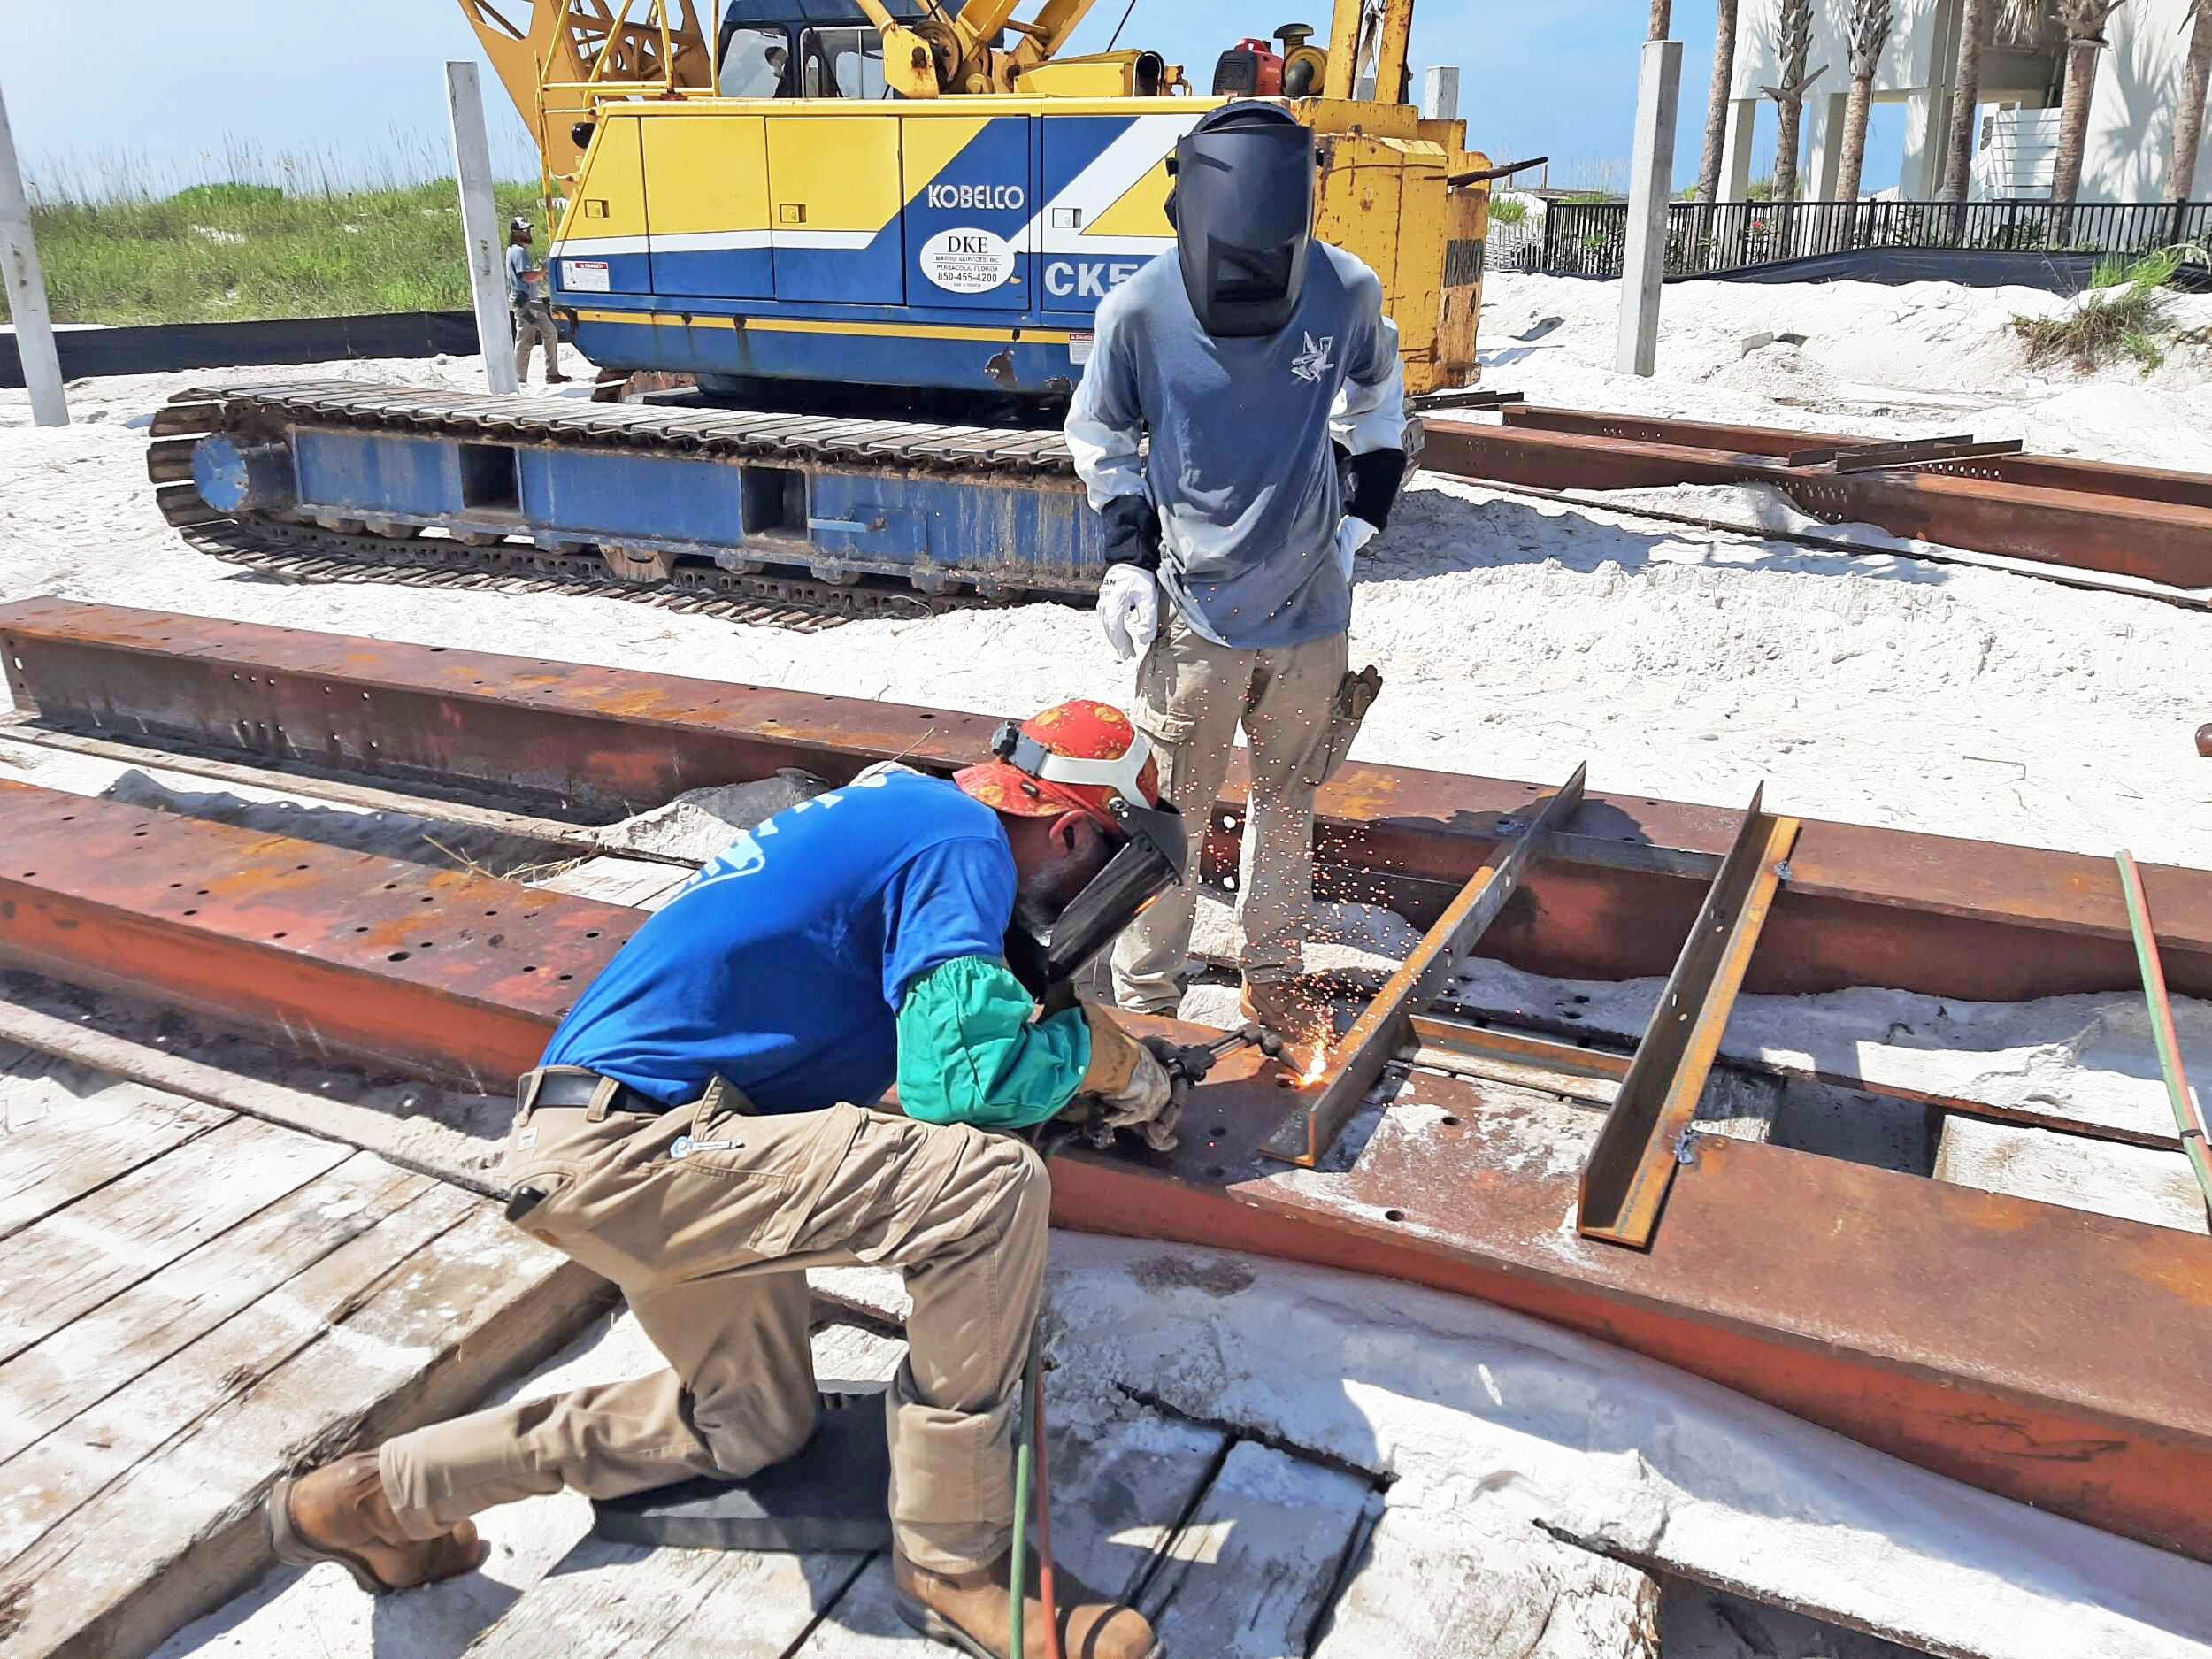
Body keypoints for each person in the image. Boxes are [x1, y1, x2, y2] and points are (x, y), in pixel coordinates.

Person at [264, 702, 1177, 1659]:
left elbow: (904, 1080)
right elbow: (958, 1083)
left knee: (750, 1430)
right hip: (641, 1152)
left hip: (622, 1139)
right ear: (1072, 827)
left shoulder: (893, 815)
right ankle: (956, 1567)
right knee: (987, 1191)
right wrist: (1095, 1060)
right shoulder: (962, 840)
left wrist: (1060, 1062)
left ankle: (375, 1497)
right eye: (1099, 862)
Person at [1065, 100, 1404, 1064]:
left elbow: (1382, 405)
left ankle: (1272, 974)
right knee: (1169, 815)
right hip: (1192, 613)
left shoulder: (1345, 289)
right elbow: (1099, 439)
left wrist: (1361, 518)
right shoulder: (1136, 310)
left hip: (1310, 612)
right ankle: (1147, 998)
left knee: (1287, 800)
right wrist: (1126, 556)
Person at [507, 217, 568, 387]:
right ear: (516, 232)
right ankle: (519, 378)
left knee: (550, 332)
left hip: (531, 301)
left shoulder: (517, 251)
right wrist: (543, 270)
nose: (528, 233)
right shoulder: (518, 252)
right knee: (525, 340)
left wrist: (540, 272)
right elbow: (527, 277)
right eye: (524, 230)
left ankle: (552, 374)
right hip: (525, 302)